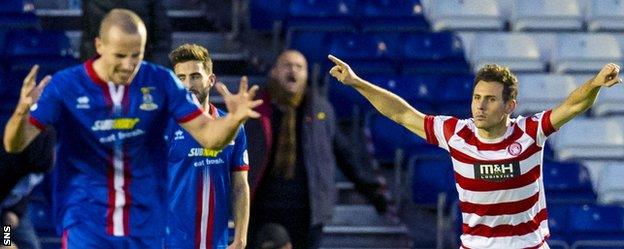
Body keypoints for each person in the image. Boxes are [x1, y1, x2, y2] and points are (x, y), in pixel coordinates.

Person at [3, 9, 261, 248]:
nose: (129, 65)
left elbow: (210, 138)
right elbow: (13, 145)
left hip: (144, 225)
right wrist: (20, 113)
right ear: (99, 46)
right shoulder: (66, 86)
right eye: (120, 56)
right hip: (81, 220)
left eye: (135, 55)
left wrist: (234, 119)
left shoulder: (160, 82)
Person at [327, 55, 621, 248]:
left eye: (490, 99)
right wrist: (357, 83)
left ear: (509, 106)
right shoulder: (456, 133)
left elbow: (571, 105)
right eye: (477, 97)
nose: (480, 106)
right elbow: (401, 114)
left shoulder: (530, 132)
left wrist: (594, 84)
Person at [246, 50, 388, 249]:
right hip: (263, 208)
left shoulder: (321, 109)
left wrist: (372, 192)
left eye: (299, 67)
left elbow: (344, 154)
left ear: (306, 74)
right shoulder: (253, 107)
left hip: (308, 210)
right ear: (275, 72)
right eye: (287, 65)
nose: (293, 70)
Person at [165, 43, 249, 249]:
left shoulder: (231, 126)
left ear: (210, 80)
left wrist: (240, 237)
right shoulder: (163, 126)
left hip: (216, 243)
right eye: (181, 78)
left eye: (195, 76)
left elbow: (240, 185)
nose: (188, 85)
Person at [80, 0, 172, 65]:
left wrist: (149, 71)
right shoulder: (93, 3)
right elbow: (89, 39)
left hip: (142, 65)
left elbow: (162, 40)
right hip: (103, 69)